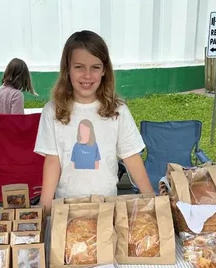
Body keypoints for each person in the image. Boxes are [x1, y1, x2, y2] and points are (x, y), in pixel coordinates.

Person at [34, 30, 154, 212]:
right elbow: (52, 162)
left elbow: (132, 159)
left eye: (95, 67)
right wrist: (44, 210)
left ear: (104, 70)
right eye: (79, 67)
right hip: (66, 209)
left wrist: (152, 202)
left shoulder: (117, 111)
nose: (87, 75)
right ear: (67, 68)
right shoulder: (53, 111)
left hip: (108, 208)